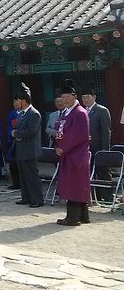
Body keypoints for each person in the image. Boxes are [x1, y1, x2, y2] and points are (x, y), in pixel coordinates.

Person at [53, 80, 91, 226]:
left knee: (74, 185)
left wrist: (63, 147)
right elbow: (60, 131)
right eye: (63, 97)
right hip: (68, 154)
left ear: (74, 97)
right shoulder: (67, 112)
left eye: (67, 97)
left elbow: (78, 135)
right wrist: (57, 144)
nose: (65, 100)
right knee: (76, 185)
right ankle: (83, 216)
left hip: (76, 155)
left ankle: (73, 217)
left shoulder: (80, 113)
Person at [12, 83, 44, 208]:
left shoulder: (34, 113)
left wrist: (16, 133)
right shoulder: (21, 113)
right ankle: (26, 197)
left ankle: (37, 199)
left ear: (24, 101)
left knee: (32, 175)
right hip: (22, 149)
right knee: (23, 175)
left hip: (30, 149)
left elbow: (31, 130)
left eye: (17, 100)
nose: (15, 103)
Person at [81, 87, 113, 202]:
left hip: (99, 148)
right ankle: (95, 197)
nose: (85, 100)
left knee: (103, 172)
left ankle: (108, 197)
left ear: (94, 97)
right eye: (83, 98)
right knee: (89, 173)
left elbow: (106, 132)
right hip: (86, 149)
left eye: (87, 97)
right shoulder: (82, 111)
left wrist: (105, 150)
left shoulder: (102, 110)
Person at [5, 100, 22, 190]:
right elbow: (8, 126)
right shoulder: (12, 114)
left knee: (22, 164)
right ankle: (16, 182)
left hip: (23, 141)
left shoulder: (25, 113)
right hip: (13, 141)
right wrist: (11, 134)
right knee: (13, 163)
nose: (15, 104)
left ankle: (23, 183)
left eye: (17, 102)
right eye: (14, 102)